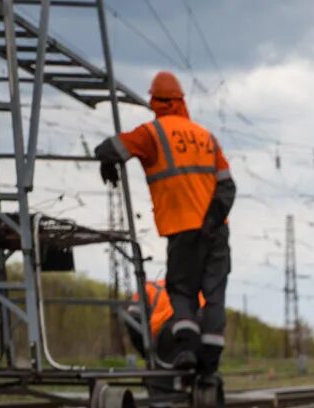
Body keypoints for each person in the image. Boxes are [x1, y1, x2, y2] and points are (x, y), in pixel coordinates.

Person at [94, 71, 235, 379]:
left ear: (155, 103)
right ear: (182, 101)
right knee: (213, 294)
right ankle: (209, 365)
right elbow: (227, 187)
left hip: (182, 229)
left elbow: (110, 147)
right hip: (216, 230)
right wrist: (212, 220)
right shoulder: (206, 137)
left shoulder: (152, 134)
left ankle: (185, 349)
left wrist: (107, 162)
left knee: (181, 291)